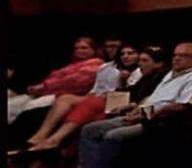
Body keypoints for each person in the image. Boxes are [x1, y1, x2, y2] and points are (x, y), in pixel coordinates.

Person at [74, 42, 192, 168]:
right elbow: (155, 98)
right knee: (89, 130)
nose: (177, 59)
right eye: (175, 55)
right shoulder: (173, 72)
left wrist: (144, 114)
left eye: (184, 56)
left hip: (164, 121)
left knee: (113, 135)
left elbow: (182, 107)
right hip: (145, 113)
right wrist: (136, 107)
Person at [26, 46, 166, 152]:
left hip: (129, 104)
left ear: (159, 64)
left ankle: (55, 139)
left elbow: (147, 98)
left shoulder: (160, 77)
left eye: (144, 60)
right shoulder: (144, 75)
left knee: (92, 104)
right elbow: (131, 90)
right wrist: (113, 93)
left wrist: (120, 97)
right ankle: (41, 136)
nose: (140, 63)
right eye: (140, 60)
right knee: (68, 98)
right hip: (119, 98)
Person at [9, 37, 105, 125]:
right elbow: (53, 79)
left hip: (65, 96)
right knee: (12, 105)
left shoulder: (97, 64)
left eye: (84, 48)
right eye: (77, 48)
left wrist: (43, 87)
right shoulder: (72, 64)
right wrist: (38, 87)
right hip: (46, 92)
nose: (79, 51)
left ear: (94, 50)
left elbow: (73, 83)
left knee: (29, 108)